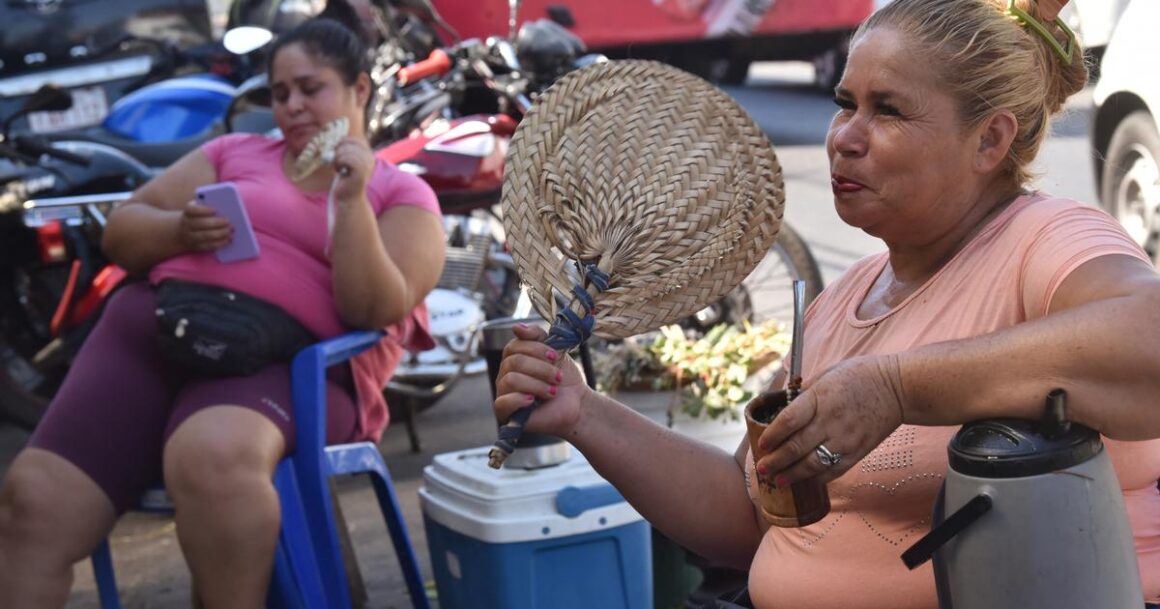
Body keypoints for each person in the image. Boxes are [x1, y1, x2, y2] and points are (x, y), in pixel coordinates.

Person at [491, 0, 1160, 607]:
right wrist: (584, 412)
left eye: (887, 110)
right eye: (845, 104)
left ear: (989, 140)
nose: (844, 136)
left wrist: (898, 388)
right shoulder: (844, 298)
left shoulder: (1043, 240)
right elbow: (751, 512)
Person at [0, 15, 445, 609]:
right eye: (278, 93)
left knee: (211, 459)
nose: (291, 106)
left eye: (310, 88)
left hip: (281, 364)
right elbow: (123, 231)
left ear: (359, 89)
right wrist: (179, 231)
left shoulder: (400, 193)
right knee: (31, 500)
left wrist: (350, 201)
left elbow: (372, 308)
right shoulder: (234, 151)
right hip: (159, 329)